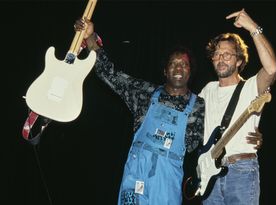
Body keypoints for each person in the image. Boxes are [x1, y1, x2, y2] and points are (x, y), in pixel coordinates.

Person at [74, 16, 264, 205]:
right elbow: (111, 75)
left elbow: (214, 131)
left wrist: (252, 135)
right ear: (165, 70)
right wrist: (91, 38)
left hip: (167, 183)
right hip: (135, 176)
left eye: (184, 64)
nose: (179, 67)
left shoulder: (198, 106)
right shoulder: (144, 94)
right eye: (173, 63)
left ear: (190, 72)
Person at [199, 9, 276, 205]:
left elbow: (272, 69)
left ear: (240, 60)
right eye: (217, 54)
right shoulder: (206, 90)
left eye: (228, 54)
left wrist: (253, 28)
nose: (221, 58)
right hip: (209, 175)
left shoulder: (251, 86)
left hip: (241, 171)